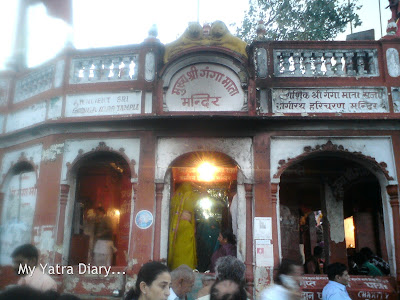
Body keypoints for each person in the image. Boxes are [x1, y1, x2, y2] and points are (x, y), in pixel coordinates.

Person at [168, 182, 200, 270]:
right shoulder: (189, 196)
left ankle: (176, 269)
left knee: (178, 251)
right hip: (186, 226)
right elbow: (205, 194)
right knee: (187, 253)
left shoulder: (176, 198)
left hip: (177, 227)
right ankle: (187, 270)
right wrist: (197, 185)